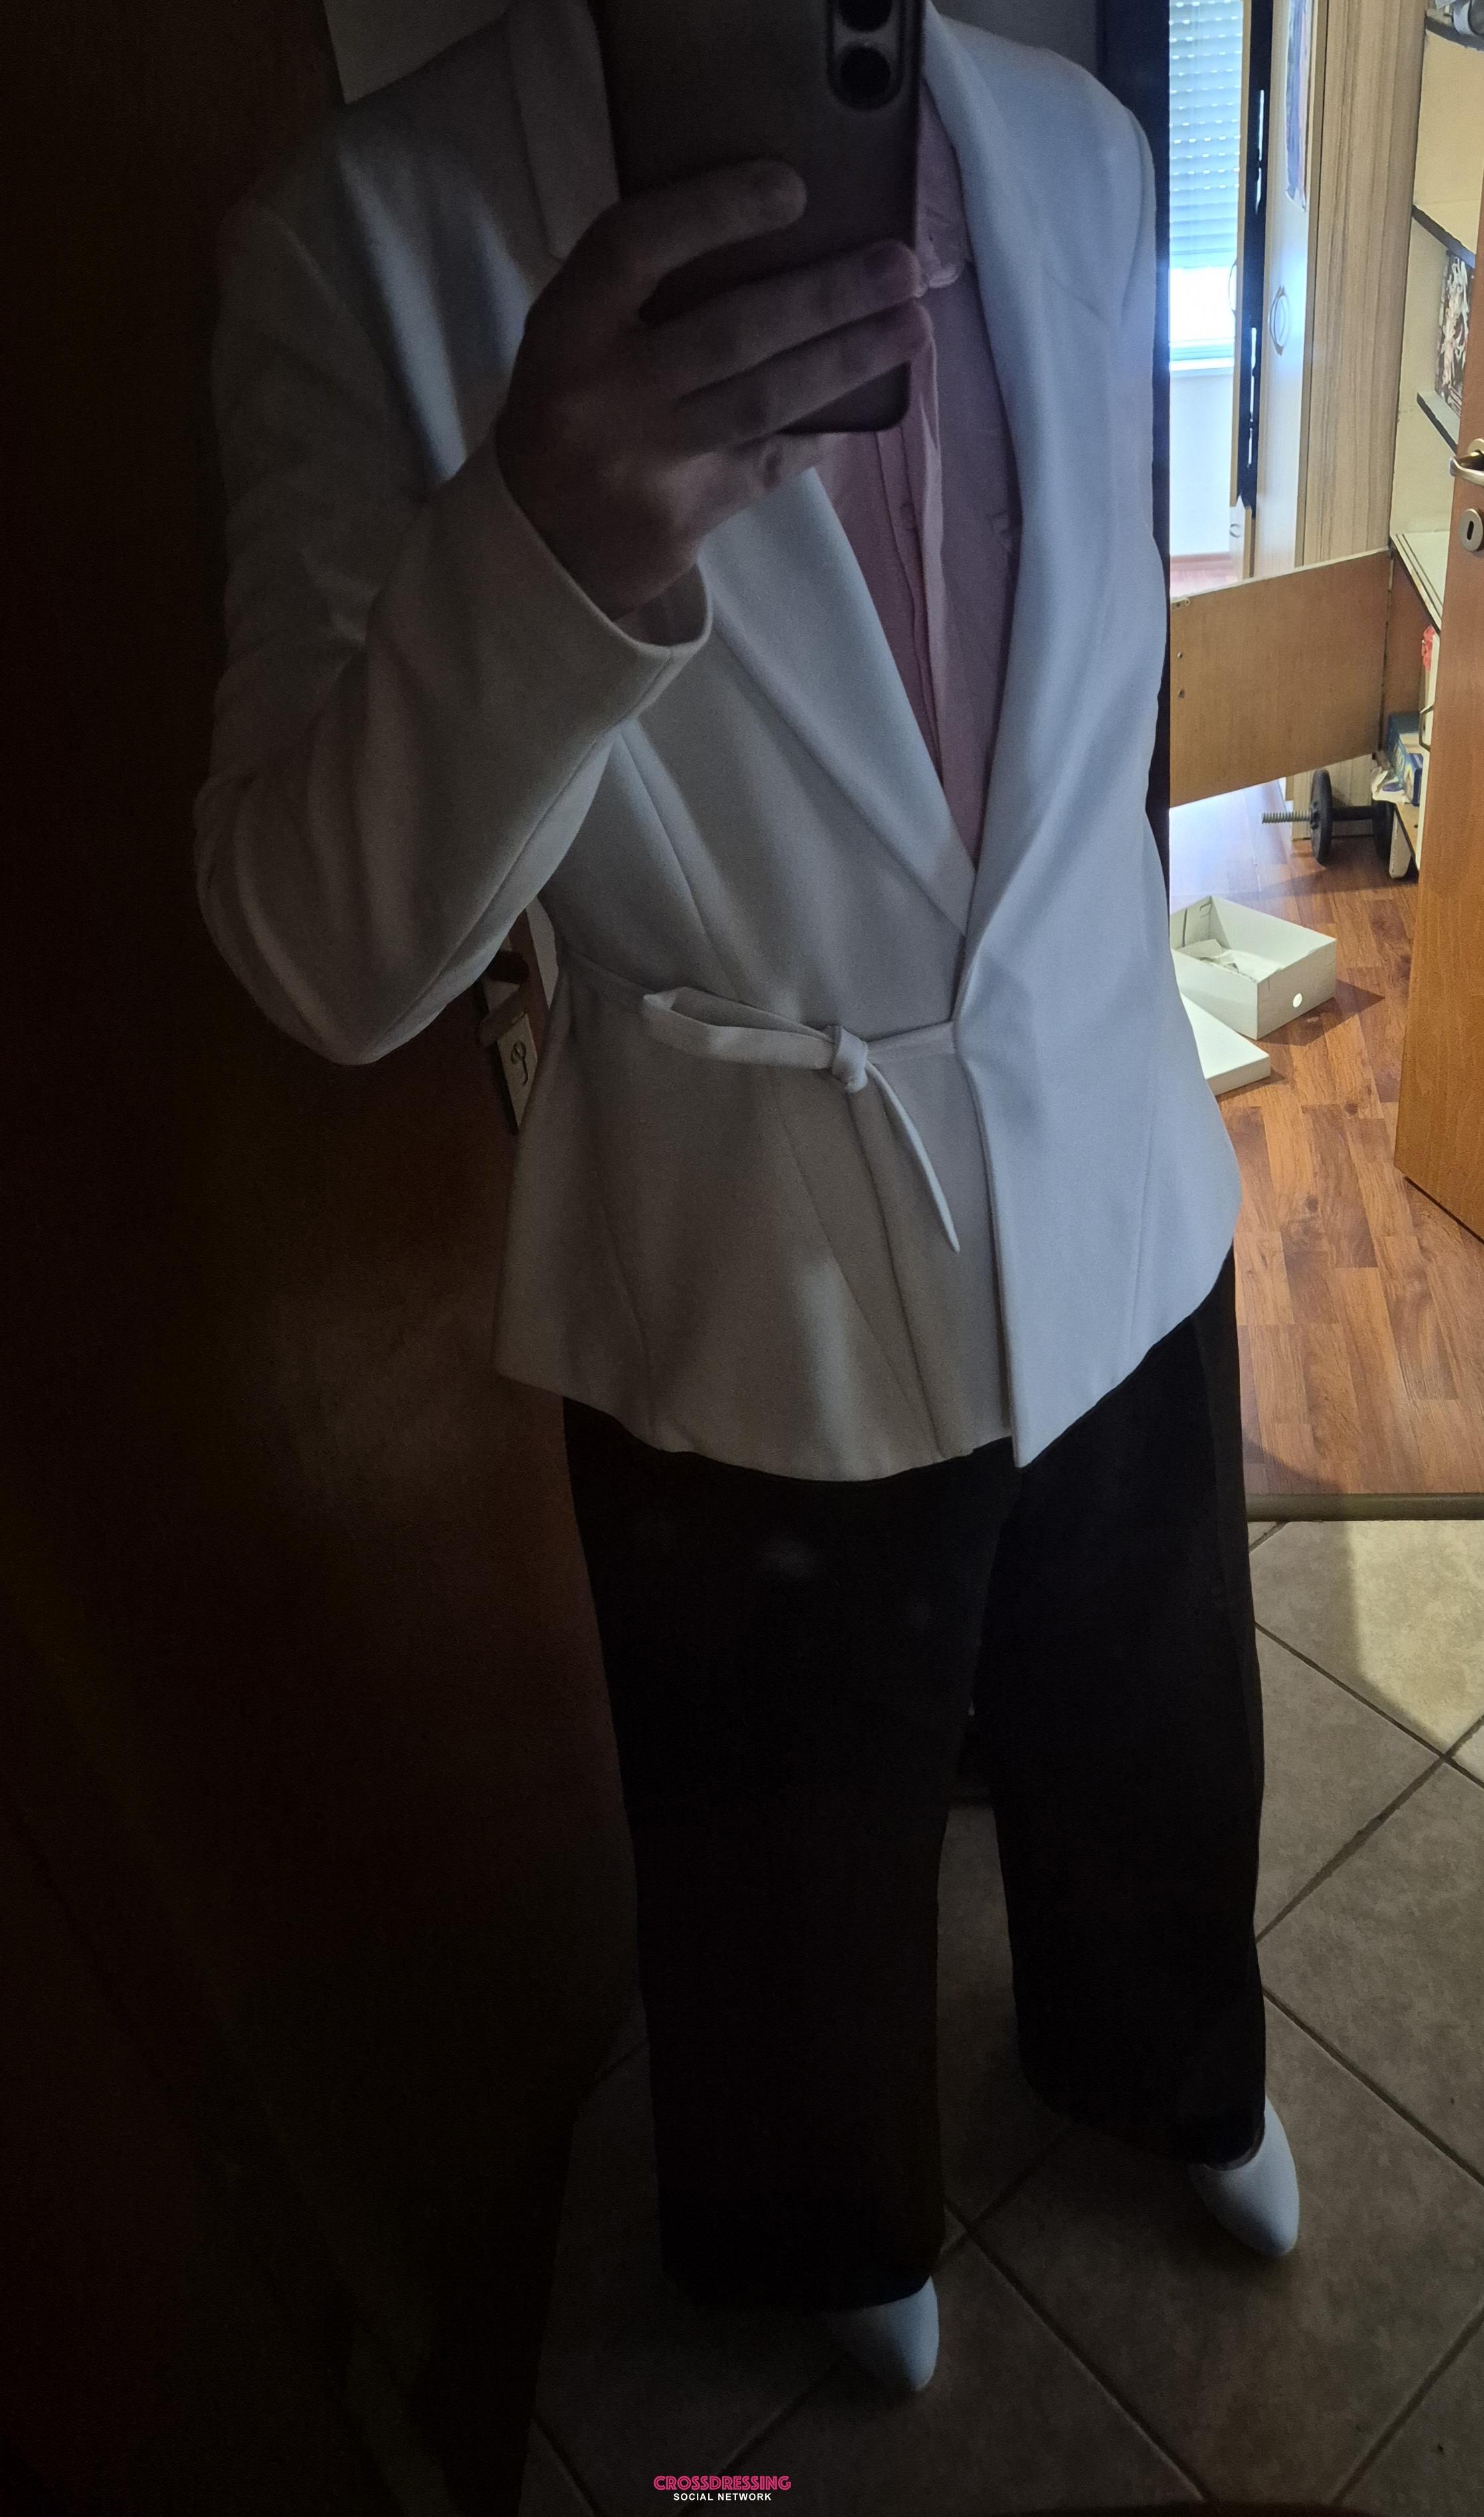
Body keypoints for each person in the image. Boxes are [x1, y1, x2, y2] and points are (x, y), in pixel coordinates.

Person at [194, 0, 1300, 2399]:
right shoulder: (362, 245)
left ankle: (1169, 2067)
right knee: (776, 1820)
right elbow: (317, 948)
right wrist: (542, 554)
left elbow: (1084, 680)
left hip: (1107, 1154)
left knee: (1150, 1708)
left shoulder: (1083, 153)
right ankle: (820, 2228)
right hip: (733, 1246)